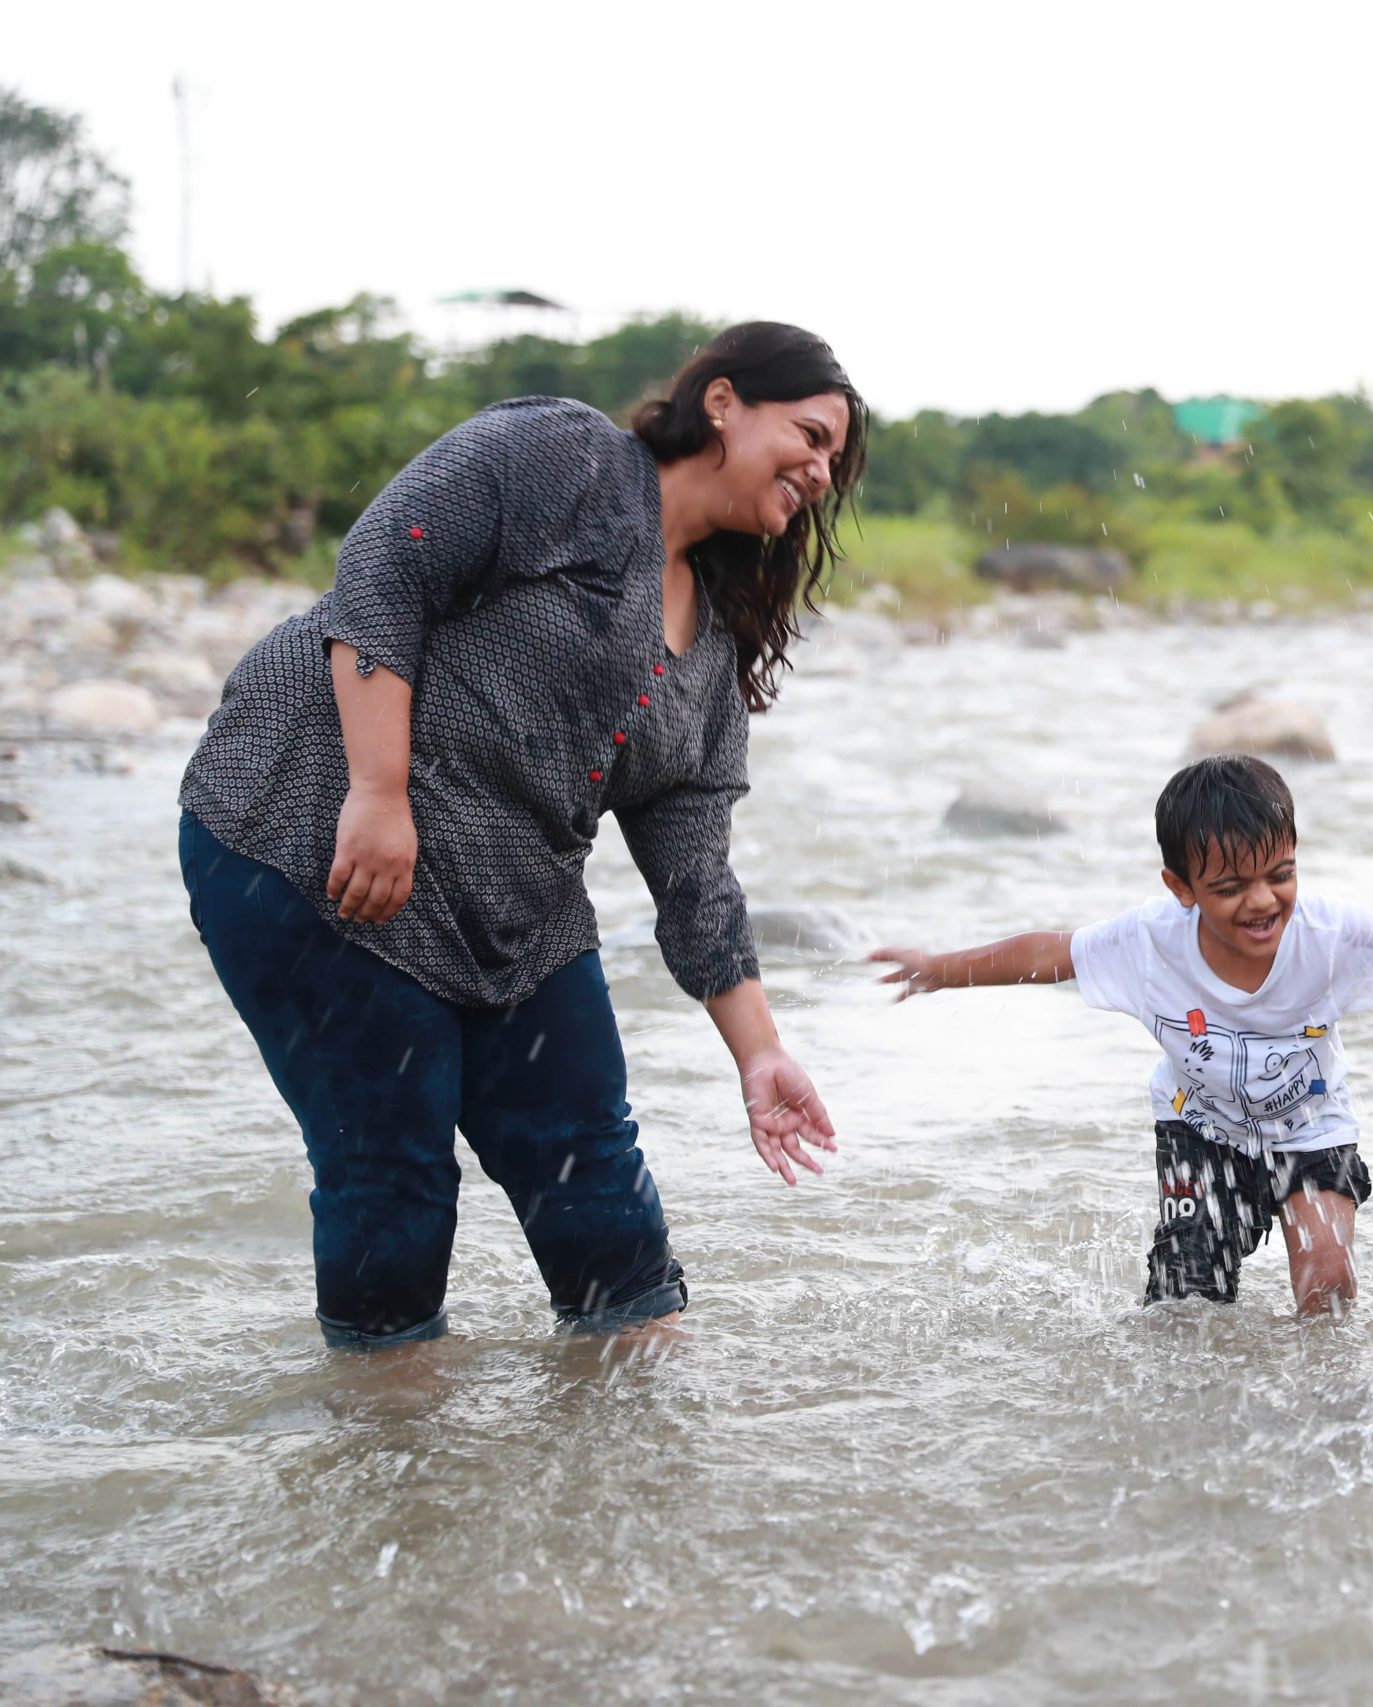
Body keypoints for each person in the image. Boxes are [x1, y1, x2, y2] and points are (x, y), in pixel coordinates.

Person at [177, 322, 863, 1348]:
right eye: (809, 435)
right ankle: (391, 1454)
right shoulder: (568, 458)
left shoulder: (712, 648)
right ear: (722, 402)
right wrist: (379, 789)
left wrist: (759, 1055)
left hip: (514, 903)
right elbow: (382, 570)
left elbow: (694, 878)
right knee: (394, 1171)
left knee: (593, 1170)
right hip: (312, 834)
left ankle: (642, 1471)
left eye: (834, 462)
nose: (819, 469)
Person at [869, 755, 1373, 1315]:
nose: (1262, 900)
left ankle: (1322, 1407)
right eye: (1231, 887)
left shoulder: (1329, 934)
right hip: (1198, 1130)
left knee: (1328, 1278)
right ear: (1182, 888)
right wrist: (943, 969)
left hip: (1310, 1126)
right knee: (1185, 1303)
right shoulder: (1149, 942)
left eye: (1281, 874)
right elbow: (1048, 953)